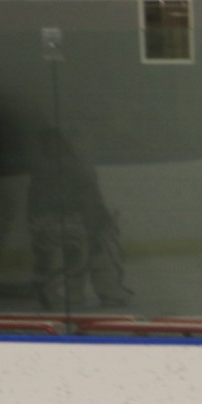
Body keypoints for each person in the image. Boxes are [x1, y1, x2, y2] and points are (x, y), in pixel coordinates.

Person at [28, 128, 130, 312]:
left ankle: (68, 296)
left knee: (74, 258)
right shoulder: (74, 166)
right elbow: (89, 198)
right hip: (75, 220)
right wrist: (97, 221)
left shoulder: (45, 167)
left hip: (55, 222)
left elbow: (36, 201)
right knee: (93, 256)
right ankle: (107, 293)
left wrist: (36, 223)